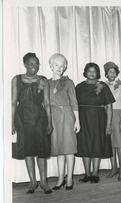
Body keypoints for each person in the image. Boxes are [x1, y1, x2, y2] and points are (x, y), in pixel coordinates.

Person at [11, 52, 53, 194]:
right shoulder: (16, 79)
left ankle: (44, 182)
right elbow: (13, 102)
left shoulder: (43, 80)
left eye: (36, 64)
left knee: (41, 150)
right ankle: (32, 182)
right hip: (22, 118)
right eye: (30, 64)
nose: (33, 66)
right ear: (25, 64)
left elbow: (47, 102)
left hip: (40, 118)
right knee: (28, 150)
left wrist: (49, 122)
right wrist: (11, 123)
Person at [75, 63, 115, 183]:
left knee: (97, 145)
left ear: (97, 73)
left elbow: (109, 106)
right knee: (85, 146)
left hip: (99, 120)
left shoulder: (103, 86)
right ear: (85, 72)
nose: (91, 73)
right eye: (89, 71)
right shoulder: (79, 87)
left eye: (94, 71)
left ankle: (95, 174)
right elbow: (73, 104)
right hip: (83, 119)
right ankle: (87, 174)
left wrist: (108, 124)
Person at [49, 53, 80, 190]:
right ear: (51, 65)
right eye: (56, 65)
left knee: (69, 149)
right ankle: (60, 178)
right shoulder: (46, 83)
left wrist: (77, 120)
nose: (59, 68)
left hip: (67, 116)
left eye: (62, 65)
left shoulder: (68, 82)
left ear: (65, 67)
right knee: (59, 149)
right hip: (53, 118)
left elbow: (74, 102)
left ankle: (69, 179)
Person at [104, 61, 121, 181]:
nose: (112, 73)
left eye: (114, 71)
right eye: (110, 71)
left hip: (118, 115)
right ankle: (114, 168)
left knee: (119, 145)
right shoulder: (102, 86)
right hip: (106, 117)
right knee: (110, 144)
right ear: (106, 74)